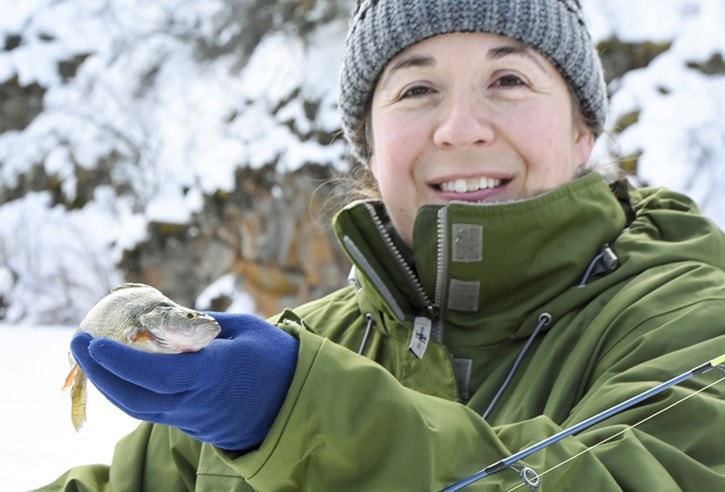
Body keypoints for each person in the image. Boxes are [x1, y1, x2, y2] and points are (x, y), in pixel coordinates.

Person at [38, 0, 725, 490]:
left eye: (508, 80)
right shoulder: (299, 346)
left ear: (584, 132)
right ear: (367, 143)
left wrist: (302, 418)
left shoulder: (696, 322)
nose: (461, 128)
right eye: (418, 88)